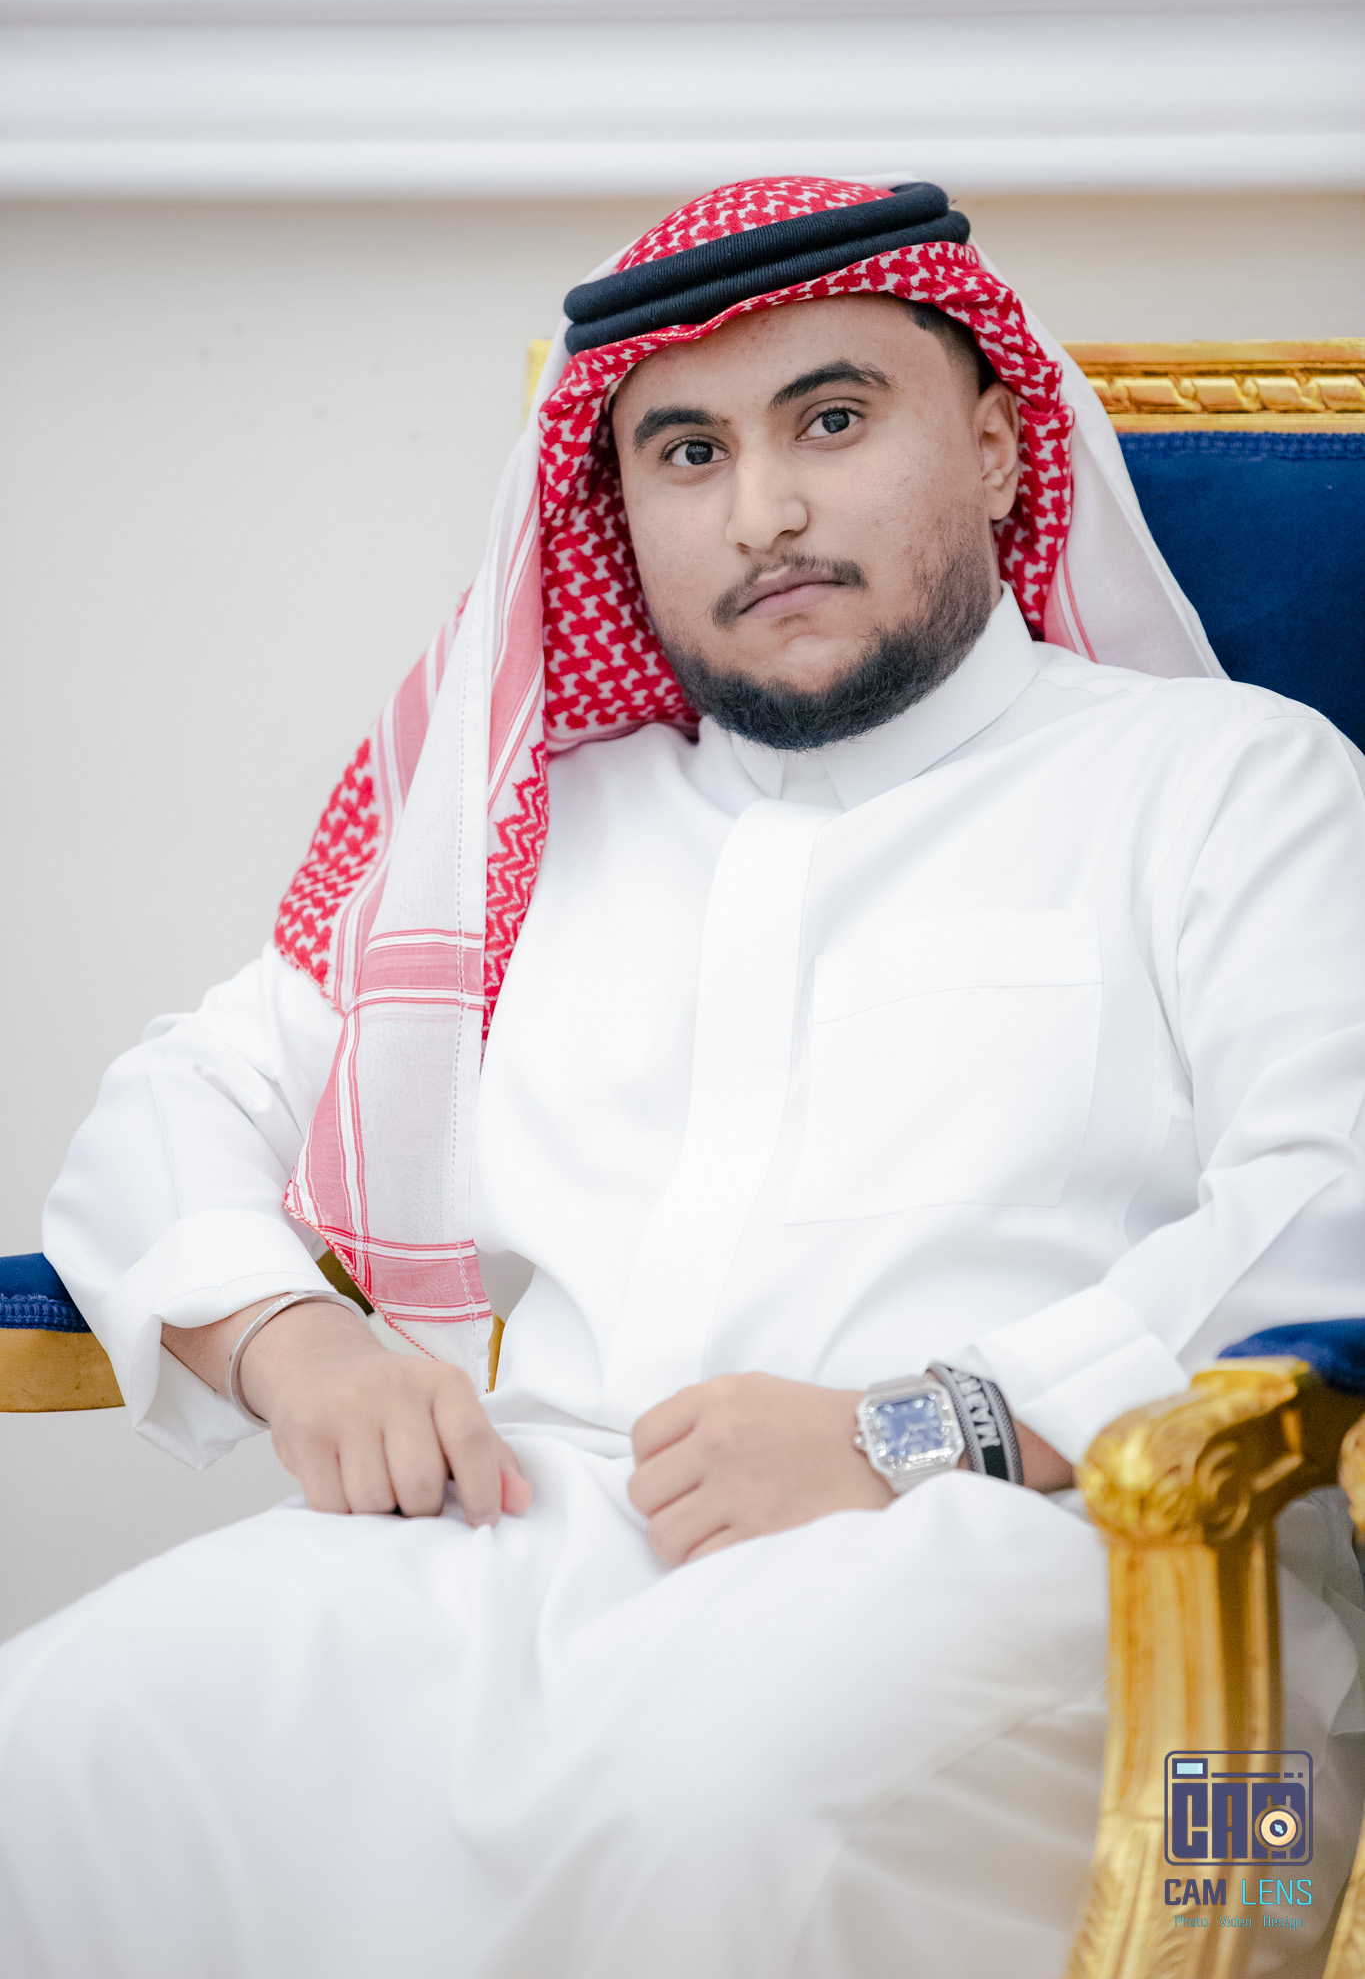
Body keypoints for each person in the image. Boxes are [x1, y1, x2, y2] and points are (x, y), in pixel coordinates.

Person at [2, 176, 1363, 1979]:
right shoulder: (531, 836)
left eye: (832, 419)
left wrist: (919, 1428)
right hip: (535, 1538)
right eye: (689, 452)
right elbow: (191, 1094)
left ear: (995, 449)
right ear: (620, 515)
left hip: (1106, 1586)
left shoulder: (1227, 781)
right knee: (58, 1752)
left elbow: (1331, 1198)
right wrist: (289, 1339)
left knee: (723, 1817)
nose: (762, 511)